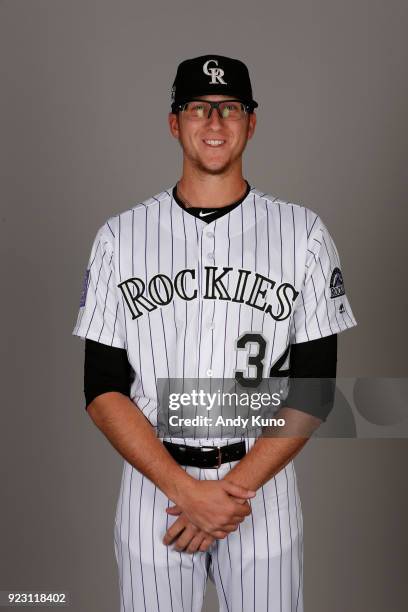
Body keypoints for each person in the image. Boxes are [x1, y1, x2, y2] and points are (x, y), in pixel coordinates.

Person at [72, 54, 357, 612]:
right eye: (198, 108)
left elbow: (316, 386)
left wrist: (229, 493)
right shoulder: (119, 237)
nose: (215, 122)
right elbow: (101, 387)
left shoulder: (303, 234)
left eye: (230, 108)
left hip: (262, 486)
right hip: (155, 487)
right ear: (175, 122)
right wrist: (187, 493)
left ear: (251, 122)